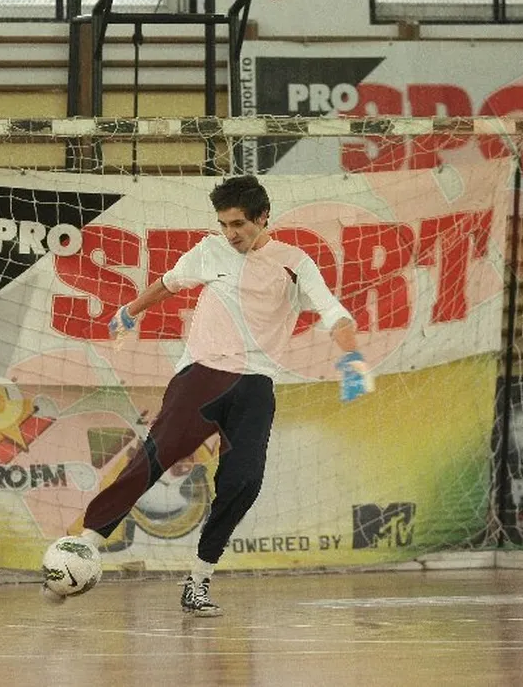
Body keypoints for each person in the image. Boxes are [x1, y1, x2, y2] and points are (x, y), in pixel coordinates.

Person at [76, 175, 371, 616]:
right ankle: (86, 542)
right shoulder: (209, 251)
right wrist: (129, 312)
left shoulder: (295, 262)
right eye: (223, 224)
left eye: (238, 224)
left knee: (244, 482)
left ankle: (198, 580)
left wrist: (352, 356)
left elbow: (333, 311)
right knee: (153, 458)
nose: (230, 233)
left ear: (262, 217)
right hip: (201, 374)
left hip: (256, 384)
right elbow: (169, 283)